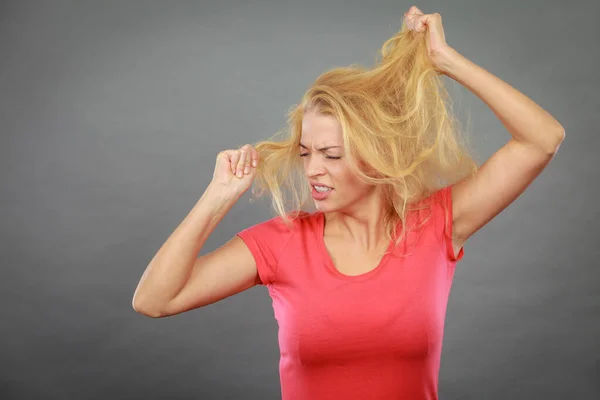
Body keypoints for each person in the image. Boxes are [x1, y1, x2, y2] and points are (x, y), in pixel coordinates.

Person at [132, 5, 565, 400]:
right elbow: (154, 300)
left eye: (331, 155)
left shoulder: (434, 225)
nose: (312, 169)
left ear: (379, 157)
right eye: (306, 153)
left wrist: (445, 61)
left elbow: (542, 139)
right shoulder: (282, 242)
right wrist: (217, 197)